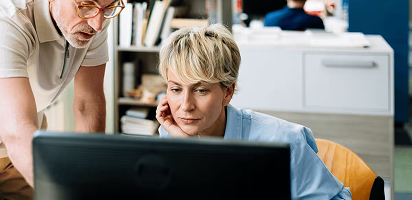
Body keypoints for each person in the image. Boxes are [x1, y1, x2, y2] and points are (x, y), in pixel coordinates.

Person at [155, 24, 351, 199]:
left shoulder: (281, 140)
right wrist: (189, 149)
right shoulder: (174, 133)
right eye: (176, 89)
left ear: (228, 92)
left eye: (201, 90)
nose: (186, 105)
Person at [0, 0, 124, 199]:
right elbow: (15, 130)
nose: (98, 24)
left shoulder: (96, 17)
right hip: (17, 134)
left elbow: (87, 103)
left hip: (26, 142)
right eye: (85, 5)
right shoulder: (9, 19)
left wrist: (91, 179)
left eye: (108, 7)